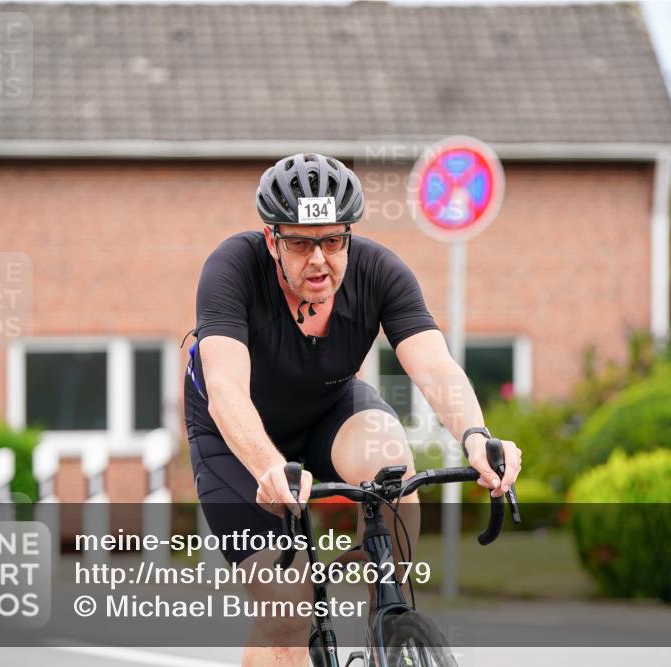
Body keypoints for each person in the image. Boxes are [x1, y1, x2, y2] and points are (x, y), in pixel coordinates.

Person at [183, 152, 521, 666]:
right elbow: (227, 389)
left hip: (329, 406)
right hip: (235, 438)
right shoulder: (232, 269)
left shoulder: (380, 272)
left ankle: (387, 622)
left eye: (333, 241)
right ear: (273, 240)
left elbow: (434, 366)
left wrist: (476, 436)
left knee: (395, 475)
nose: (319, 259)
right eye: (299, 242)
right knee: (286, 611)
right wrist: (268, 467)